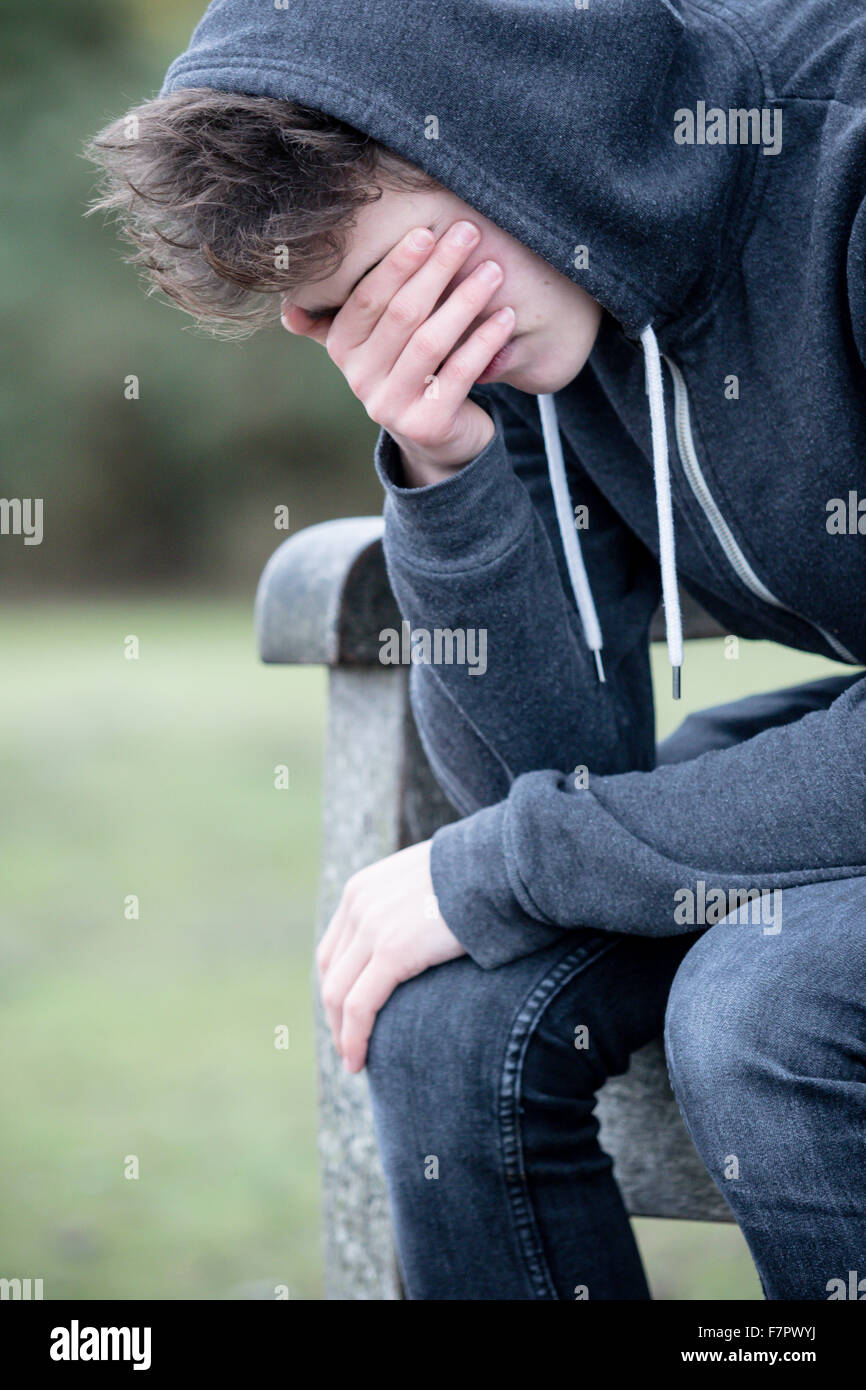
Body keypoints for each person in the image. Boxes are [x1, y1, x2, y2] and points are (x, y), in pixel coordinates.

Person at [86, 0, 866, 1300]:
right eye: (330, 319)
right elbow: (556, 765)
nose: (378, 342)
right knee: (445, 1014)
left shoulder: (832, 147)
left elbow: (522, 841)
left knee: (762, 1010)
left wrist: (503, 860)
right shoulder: (532, 312)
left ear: (495, 134)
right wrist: (443, 471)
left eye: (373, 281)